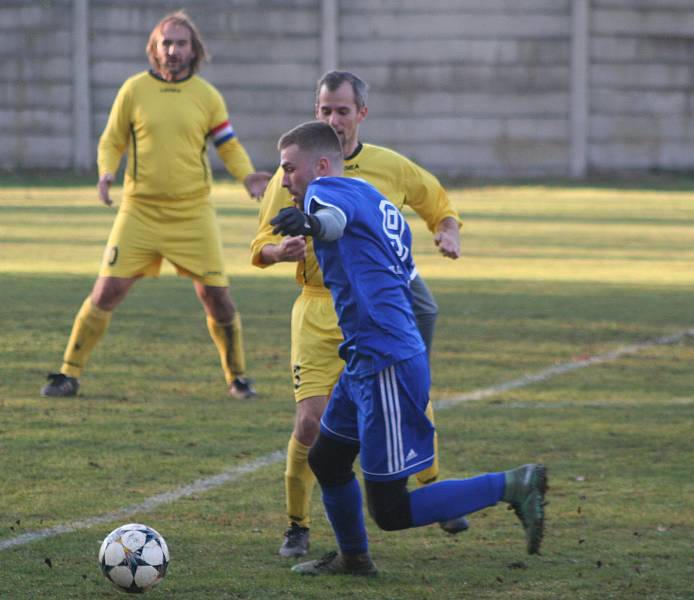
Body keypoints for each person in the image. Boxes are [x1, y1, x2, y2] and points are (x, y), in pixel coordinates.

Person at [270, 120, 548, 576]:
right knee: (327, 458)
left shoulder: (324, 193)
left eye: (288, 169)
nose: (284, 180)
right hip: (368, 355)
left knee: (391, 510)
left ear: (320, 165)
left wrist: (310, 222)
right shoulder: (371, 195)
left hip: (384, 362)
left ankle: (513, 484)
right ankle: (354, 559)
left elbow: (332, 223)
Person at [250, 71, 465, 557]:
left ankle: (432, 495)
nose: (332, 118)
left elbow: (436, 204)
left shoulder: (382, 170)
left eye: (341, 110)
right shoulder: (294, 170)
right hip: (315, 310)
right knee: (311, 424)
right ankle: (298, 524)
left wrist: (448, 231)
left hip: (372, 309)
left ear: (361, 114)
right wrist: (276, 252)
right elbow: (260, 244)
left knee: (403, 396)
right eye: (324, 110)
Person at [41, 10, 270, 400]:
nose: (173, 50)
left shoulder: (207, 96)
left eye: (181, 43)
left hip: (192, 212)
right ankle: (68, 373)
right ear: (154, 48)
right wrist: (105, 172)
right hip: (140, 211)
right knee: (106, 291)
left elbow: (227, 144)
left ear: (193, 49)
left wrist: (248, 176)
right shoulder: (133, 90)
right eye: (166, 42)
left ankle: (237, 378)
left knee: (216, 296)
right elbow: (111, 139)